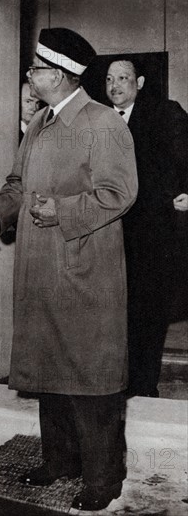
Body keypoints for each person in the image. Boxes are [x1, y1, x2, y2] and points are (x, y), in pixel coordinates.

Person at [0, 28, 138, 511]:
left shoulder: (104, 125)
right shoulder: (39, 124)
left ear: (62, 76)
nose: (29, 78)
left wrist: (63, 211)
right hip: (40, 269)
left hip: (85, 271)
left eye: (36, 70)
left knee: (90, 377)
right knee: (51, 370)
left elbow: (120, 193)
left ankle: (103, 478)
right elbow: (16, 183)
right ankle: (60, 461)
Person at [106, 58, 188, 397]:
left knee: (147, 315)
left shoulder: (164, 114)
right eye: (109, 79)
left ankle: (143, 388)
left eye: (123, 78)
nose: (115, 85)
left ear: (138, 82)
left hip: (151, 236)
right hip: (108, 234)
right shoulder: (95, 120)